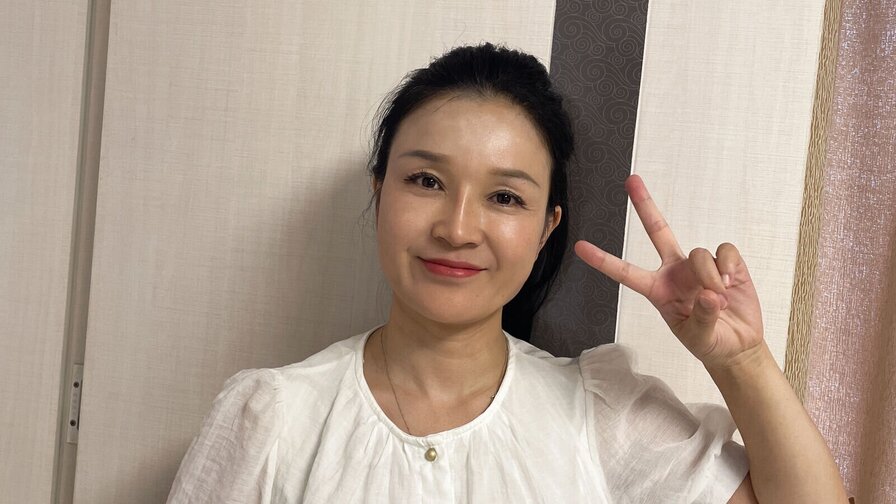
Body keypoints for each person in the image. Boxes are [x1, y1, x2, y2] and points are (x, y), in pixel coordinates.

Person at [166, 43, 847, 503]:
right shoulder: (271, 420)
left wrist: (742, 361)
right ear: (380, 193)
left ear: (547, 228)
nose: (458, 228)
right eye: (426, 180)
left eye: (504, 197)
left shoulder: (602, 419)